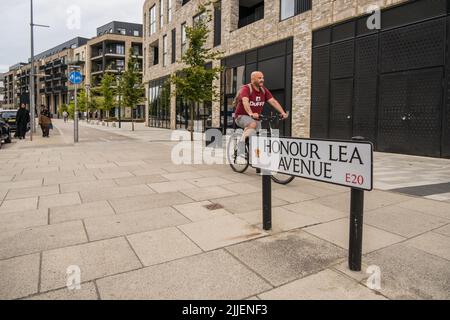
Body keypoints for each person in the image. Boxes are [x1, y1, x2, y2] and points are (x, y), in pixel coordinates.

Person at [234, 71, 288, 150]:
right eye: (259, 78)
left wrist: (282, 112)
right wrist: (251, 113)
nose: (262, 79)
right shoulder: (246, 89)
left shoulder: (264, 90)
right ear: (252, 79)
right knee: (252, 124)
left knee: (256, 132)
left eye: (262, 78)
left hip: (256, 118)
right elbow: (245, 101)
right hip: (241, 116)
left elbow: (273, 101)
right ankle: (240, 146)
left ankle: (249, 152)